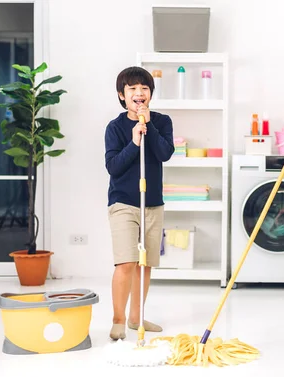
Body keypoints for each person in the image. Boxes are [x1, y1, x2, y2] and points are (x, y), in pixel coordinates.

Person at [104, 66, 175, 340]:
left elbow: (164, 153)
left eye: (144, 88)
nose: (139, 93)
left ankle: (136, 318)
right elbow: (113, 167)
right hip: (123, 203)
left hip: (153, 204)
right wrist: (134, 141)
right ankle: (118, 319)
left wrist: (149, 126)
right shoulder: (115, 128)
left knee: (145, 264)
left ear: (150, 94)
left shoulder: (162, 121)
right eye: (132, 89)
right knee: (126, 263)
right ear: (122, 96)